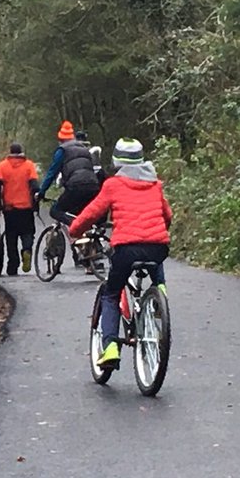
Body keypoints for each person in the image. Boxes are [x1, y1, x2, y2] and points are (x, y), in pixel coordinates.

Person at [69, 137, 172, 368]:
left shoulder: (113, 185)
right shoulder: (155, 184)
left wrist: (75, 230)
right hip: (157, 248)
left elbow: (92, 212)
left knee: (111, 292)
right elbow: (167, 216)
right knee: (155, 250)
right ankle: (160, 290)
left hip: (126, 249)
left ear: (116, 161)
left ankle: (111, 347)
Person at [0, 142, 40, 276]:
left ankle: (13, 265)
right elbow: (35, 186)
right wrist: (35, 205)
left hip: (10, 209)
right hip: (26, 207)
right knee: (28, 233)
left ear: (10, 152)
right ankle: (27, 250)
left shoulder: (3, 166)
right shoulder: (29, 165)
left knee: (11, 237)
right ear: (22, 152)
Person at [37, 123, 101, 225]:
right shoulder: (84, 149)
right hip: (93, 186)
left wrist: (41, 192)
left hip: (76, 186)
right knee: (80, 212)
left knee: (55, 211)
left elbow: (52, 173)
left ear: (60, 139)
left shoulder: (62, 150)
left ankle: (77, 227)